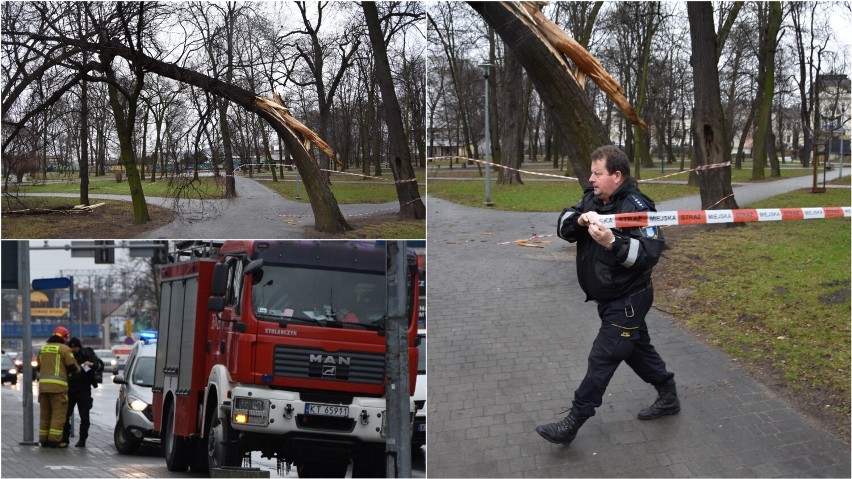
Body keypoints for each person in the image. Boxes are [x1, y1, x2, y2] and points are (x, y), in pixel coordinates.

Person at [536, 145, 680, 445]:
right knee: (634, 349)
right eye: (591, 173)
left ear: (616, 175)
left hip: (629, 298)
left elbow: (650, 254)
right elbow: (564, 225)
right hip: (610, 298)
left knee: (604, 355)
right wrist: (579, 221)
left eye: (597, 173)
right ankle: (668, 394)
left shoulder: (637, 206)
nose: (591, 178)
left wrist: (613, 242)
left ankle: (574, 420)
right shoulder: (592, 198)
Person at [36, 326, 80, 448]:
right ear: (65, 337)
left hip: (43, 388)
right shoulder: (65, 349)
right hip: (58, 388)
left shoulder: (43, 349)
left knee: (45, 414)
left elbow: (39, 367)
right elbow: (73, 367)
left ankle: (43, 440)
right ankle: (54, 440)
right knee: (58, 415)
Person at [61, 337, 104, 447]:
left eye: (76, 347)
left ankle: (82, 439)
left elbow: (100, 365)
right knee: (65, 415)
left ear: (79, 347)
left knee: (84, 416)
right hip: (69, 389)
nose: (74, 349)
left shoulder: (88, 353)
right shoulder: (66, 354)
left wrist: (91, 365)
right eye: (71, 347)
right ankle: (65, 438)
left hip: (84, 389)